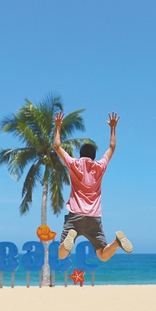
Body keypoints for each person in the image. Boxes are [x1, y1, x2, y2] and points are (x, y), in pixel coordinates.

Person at [53, 111, 132, 262]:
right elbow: (112, 148)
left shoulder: (74, 164)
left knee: (62, 254)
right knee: (102, 255)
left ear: (80, 154)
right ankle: (117, 242)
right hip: (94, 217)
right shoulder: (99, 166)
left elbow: (57, 146)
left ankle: (70, 240)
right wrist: (113, 128)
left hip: (75, 215)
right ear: (94, 156)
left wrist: (58, 126)